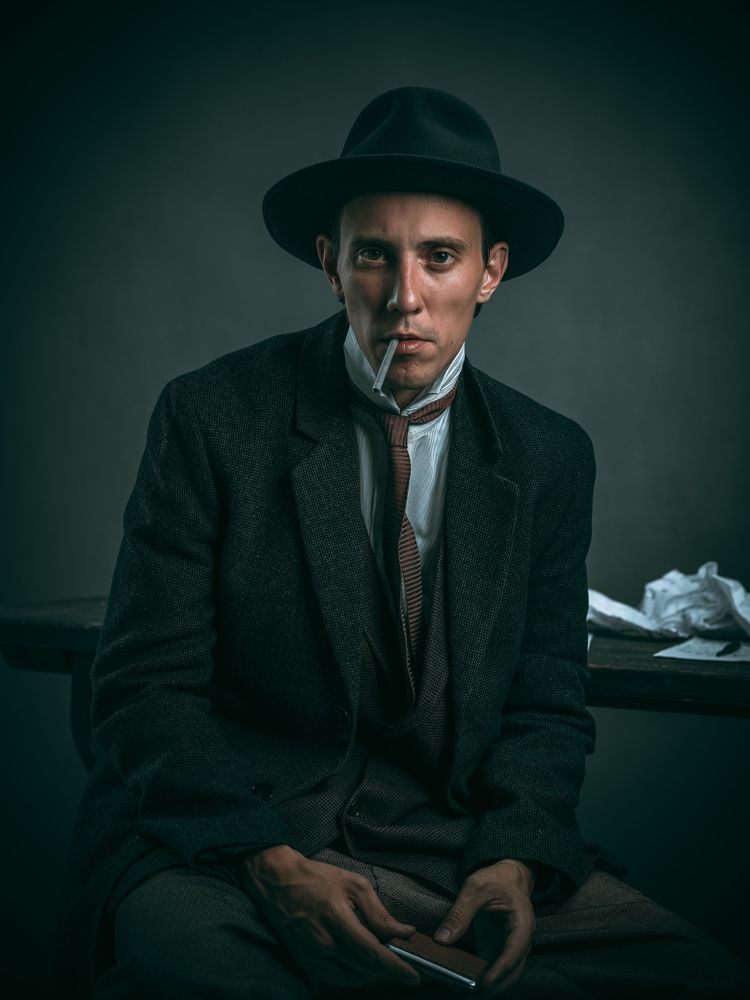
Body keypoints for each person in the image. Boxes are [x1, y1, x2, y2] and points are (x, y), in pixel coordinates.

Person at [58, 87, 749, 998]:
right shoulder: (213, 416)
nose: (405, 298)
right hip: (225, 840)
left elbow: (546, 701)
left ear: (491, 271)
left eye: (440, 257)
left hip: (446, 847)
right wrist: (268, 862)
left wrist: (513, 860)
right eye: (374, 255)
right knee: (206, 975)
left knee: (698, 978)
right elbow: (145, 685)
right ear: (330, 263)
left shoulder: (548, 456)